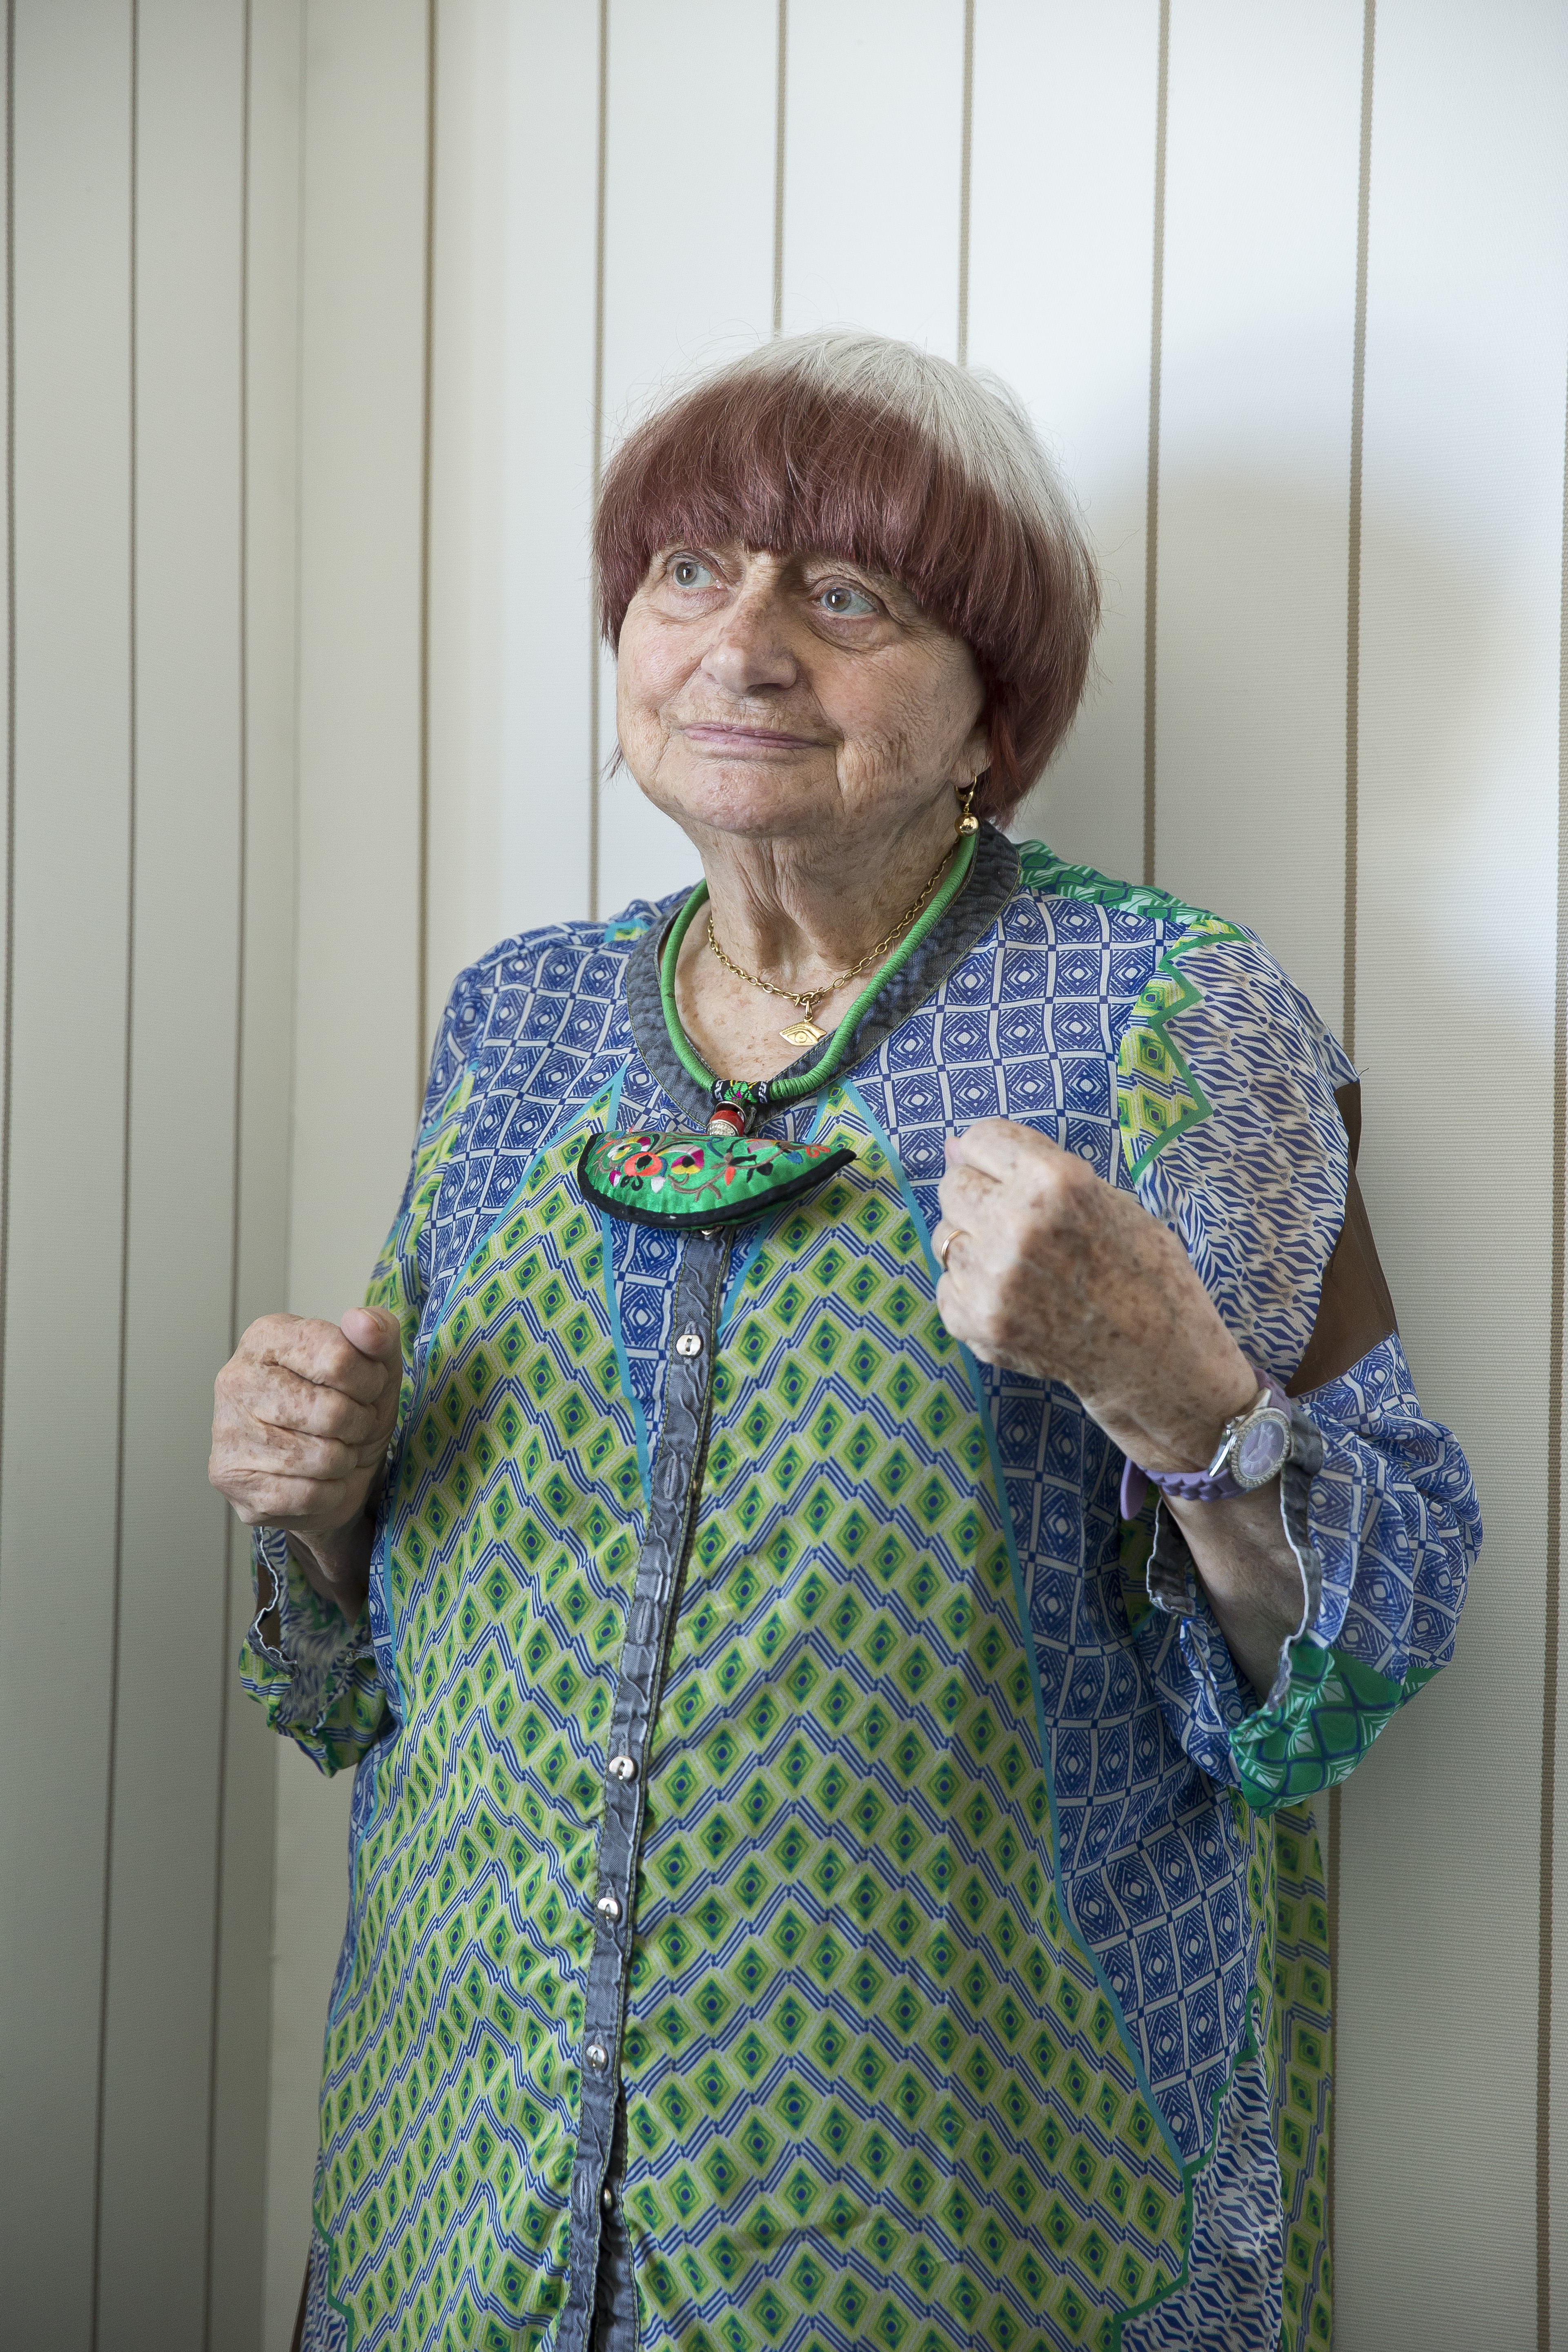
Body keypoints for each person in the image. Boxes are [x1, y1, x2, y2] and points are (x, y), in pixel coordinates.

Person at [211, 332, 1477, 2352]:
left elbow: (1377, 1631)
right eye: (688, 574)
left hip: (969, 2209)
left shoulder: (1170, 1016)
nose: (745, 644)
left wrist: (1170, 1378)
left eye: (848, 595)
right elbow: (349, 1677)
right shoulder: (513, 1019)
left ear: (1000, 715)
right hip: (461, 2180)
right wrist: (319, 1505)